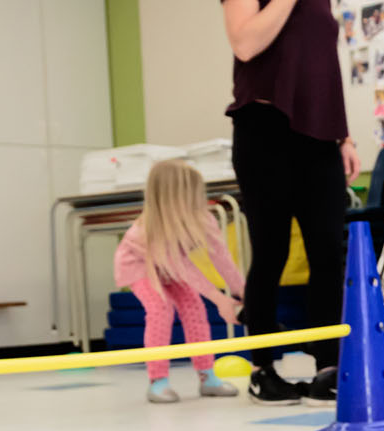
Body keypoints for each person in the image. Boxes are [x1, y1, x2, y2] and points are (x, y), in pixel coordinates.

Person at [221, 0, 359, 404]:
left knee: (328, 252)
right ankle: (262, 369)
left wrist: (344, 137)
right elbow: (245, 44)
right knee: (271, 251)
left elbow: (324, 68)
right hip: (263, 130)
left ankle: (329, 367)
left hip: (319, 137)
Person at [115, 160, 245, 403]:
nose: (201, 197)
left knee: (194, 307)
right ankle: (158, 381)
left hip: (171, 266)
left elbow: (221, 257)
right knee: (159, 308)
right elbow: (183, 268)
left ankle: (207, 376)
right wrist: (219, 299)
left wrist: (242, 291)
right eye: (194, 192)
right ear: (177, 195)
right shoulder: (149, 228)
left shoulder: (203, 218)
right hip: (140, 267)